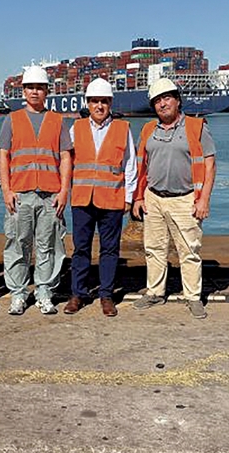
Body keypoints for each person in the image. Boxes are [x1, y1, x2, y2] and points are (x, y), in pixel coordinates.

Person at [132, 78, 217, 319]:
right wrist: (139, 197)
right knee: (154, 248)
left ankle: (193, 297)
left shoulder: (197, 127)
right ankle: (155, 292)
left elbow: (210, 166)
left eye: (167, 98)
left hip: (185, 198)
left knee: (189, 250)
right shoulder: (148, 129)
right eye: (157, 101)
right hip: (154, 198)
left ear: (178, 100)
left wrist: (204, 200)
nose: (162, 104)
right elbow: (141, 167)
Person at [0, 66, 73, 315]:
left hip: (50, 195)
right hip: (20, 194)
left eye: (39, 88)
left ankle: (44, 292)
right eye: (30, 87)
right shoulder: (12, 119)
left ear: (47, 92)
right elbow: (3, 157)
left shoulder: (57, 121)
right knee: (17, 246)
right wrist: (6, 190)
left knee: (49, 245)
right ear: (24, 90)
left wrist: (64, 192)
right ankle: (18, 294)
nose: (35, 91)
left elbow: (65, 157)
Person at [64, 78, 137, 317]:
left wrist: (128, 197)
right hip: (82, 200)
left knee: (109, 250)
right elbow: (67, 161)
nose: (99, 106)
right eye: (95, 101)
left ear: (110, 104)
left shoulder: (122, 129)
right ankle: (78, 294)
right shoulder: (77, 129)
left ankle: (106, 295)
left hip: (112, 199)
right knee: (80, 249)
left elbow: (130, 165)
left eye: (104, 101)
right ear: (88, 103)